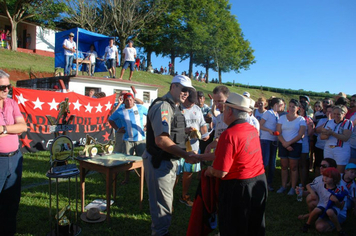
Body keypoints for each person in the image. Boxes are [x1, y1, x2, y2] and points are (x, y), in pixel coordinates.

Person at [202, 93, 267, 235]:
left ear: (230, 111)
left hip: (238, 188)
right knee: (254, 225)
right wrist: (200, 157)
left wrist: (209, 170)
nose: (223, 112)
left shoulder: (229, 134)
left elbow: (221, 172)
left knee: (234, 227)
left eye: (224, 109)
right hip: (258, 183)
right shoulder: (251, 129)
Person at [142, 75, 198, 236]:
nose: (186, 93)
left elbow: (170, 132)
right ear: (173, 86)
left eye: (188, 91)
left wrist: (184, 133)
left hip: (168, 161)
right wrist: (185, 154)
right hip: (160, 161)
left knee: (165, 202)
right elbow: (161, 140)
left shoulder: (174, 106)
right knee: (162, 205)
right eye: (183, 89)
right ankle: (160, 233)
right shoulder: (164, 106)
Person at [0, 70, 27, 235]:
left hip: (14, 158)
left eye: (8, 86)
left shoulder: (11, 103)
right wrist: (12, 129)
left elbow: (23, 127)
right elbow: (17, 127)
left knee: (12, 203)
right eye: (2, 87)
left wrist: (4, 129)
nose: (6, 90)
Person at [177, 90, 209, 207]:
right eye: (190, 102)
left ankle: (184, 195)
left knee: (188, 172)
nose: (192, 104)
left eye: (194, 102)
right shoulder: (177, 108)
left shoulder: (197, 109)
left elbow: (202, 124)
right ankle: (168, 198)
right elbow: (170, 128)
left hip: (194, 146)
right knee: (175, 173)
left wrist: (205, 134)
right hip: (178, 146)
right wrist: (185, 131)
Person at [109, 92, 147, 184]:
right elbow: (110, 119)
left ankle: (144, 177)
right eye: (127, 100)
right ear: (124, 101)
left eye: (131, 100)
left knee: (143, 159)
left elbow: (151, 115)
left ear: (134, 100)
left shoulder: (140, 108)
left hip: (140, 139)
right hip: (127, 140)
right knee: (127, 161)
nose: (129, 102)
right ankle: (126, 178)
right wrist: (117, 129)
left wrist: (148, 126)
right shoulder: (120, 111)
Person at [302, 167, 347, 235]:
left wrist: (336, 201)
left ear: (334, 179)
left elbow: (341, 207)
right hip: (323, 204)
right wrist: (305, 192)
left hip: (334, 208)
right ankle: (307, 224)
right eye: (324, 176)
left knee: (330, 212)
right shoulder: (321, 184)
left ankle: (339, 230)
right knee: (316, 210)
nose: (324, 178)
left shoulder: (340, 189)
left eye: (328, 177)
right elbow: (308, 185)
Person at [276, 99, 306, 195]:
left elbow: (300, 134)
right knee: (284, 166)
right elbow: (278, 132)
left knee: (293, 167)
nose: (291, 108)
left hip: (295, 145)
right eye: (290, 106)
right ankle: (283, 185)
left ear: (298, 108)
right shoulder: (282, 118)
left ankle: (293, 187)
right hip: (283, 143)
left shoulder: (301, 119)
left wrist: (288, 143)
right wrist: (284, 143)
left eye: (294, 106)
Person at [260, 97, 283, 191]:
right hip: (266, 139)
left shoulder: (277, 114)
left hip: (273, 140)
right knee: (265, 161)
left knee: (272, 162)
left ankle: (269, 183)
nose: (282, 107)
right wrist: (269, 130)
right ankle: (261, 182)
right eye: (281, 105)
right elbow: (260, 125)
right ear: (276, 105)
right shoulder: (268, 113)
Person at [321, 105, 353, 173]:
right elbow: (322, 136)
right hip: (328, 148)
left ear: (344, 114)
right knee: (327, 170)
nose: (336, 116)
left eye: (338, 114)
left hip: (341, 150)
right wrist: (327, 134)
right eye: (334, 113)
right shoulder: (328, 122)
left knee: (339, 172)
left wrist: (332, 133)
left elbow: (345, 138)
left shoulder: (348, 123)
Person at [314, 105, 333, 176]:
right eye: (327, 111)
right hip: (320, 146)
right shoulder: (322, 120)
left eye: (330, 111)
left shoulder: (336, 123)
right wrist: (328, 121)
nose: (329, 113)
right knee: (318, 164)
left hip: (330, 148)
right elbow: (317, 130)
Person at [299, 101, 315, 187]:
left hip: (304, 143)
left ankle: (303, 183)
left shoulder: (308, 118)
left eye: (301, 107)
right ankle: (293, 182)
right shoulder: (294, 117)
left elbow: (310, 133)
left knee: (303, 163)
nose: (300, 108)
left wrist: (310, 126)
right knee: (295, 163)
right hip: (294, 142)